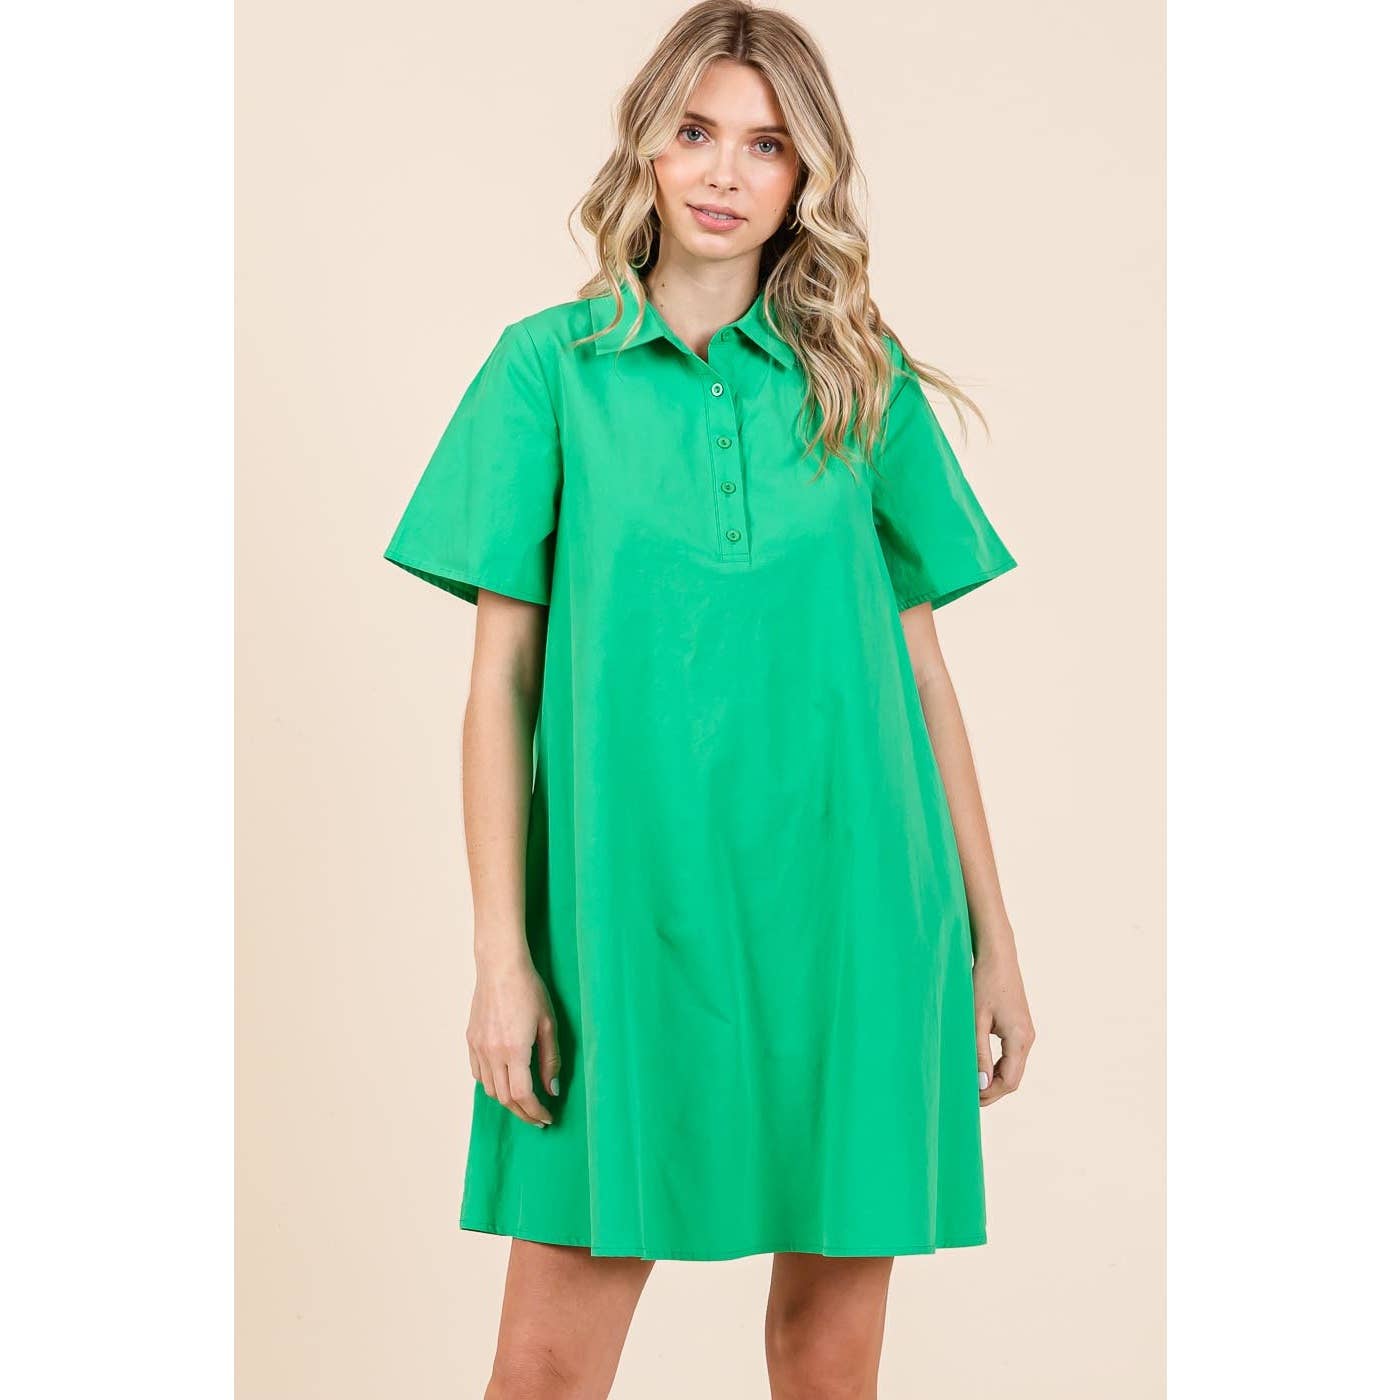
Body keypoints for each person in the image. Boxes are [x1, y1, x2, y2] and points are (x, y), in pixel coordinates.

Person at [384, 1, 1036, 1393]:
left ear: (808, 179)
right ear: (646, 146)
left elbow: (924, 676)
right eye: (695, 131)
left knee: (825, 1364)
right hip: (624, 915)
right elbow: (500, 684)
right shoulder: (547, 371)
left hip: (857, 914)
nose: (726, 173)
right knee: (545, 1372)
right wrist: (503, 958)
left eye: (767, 145)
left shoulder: (858, 381)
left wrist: (993, 940)